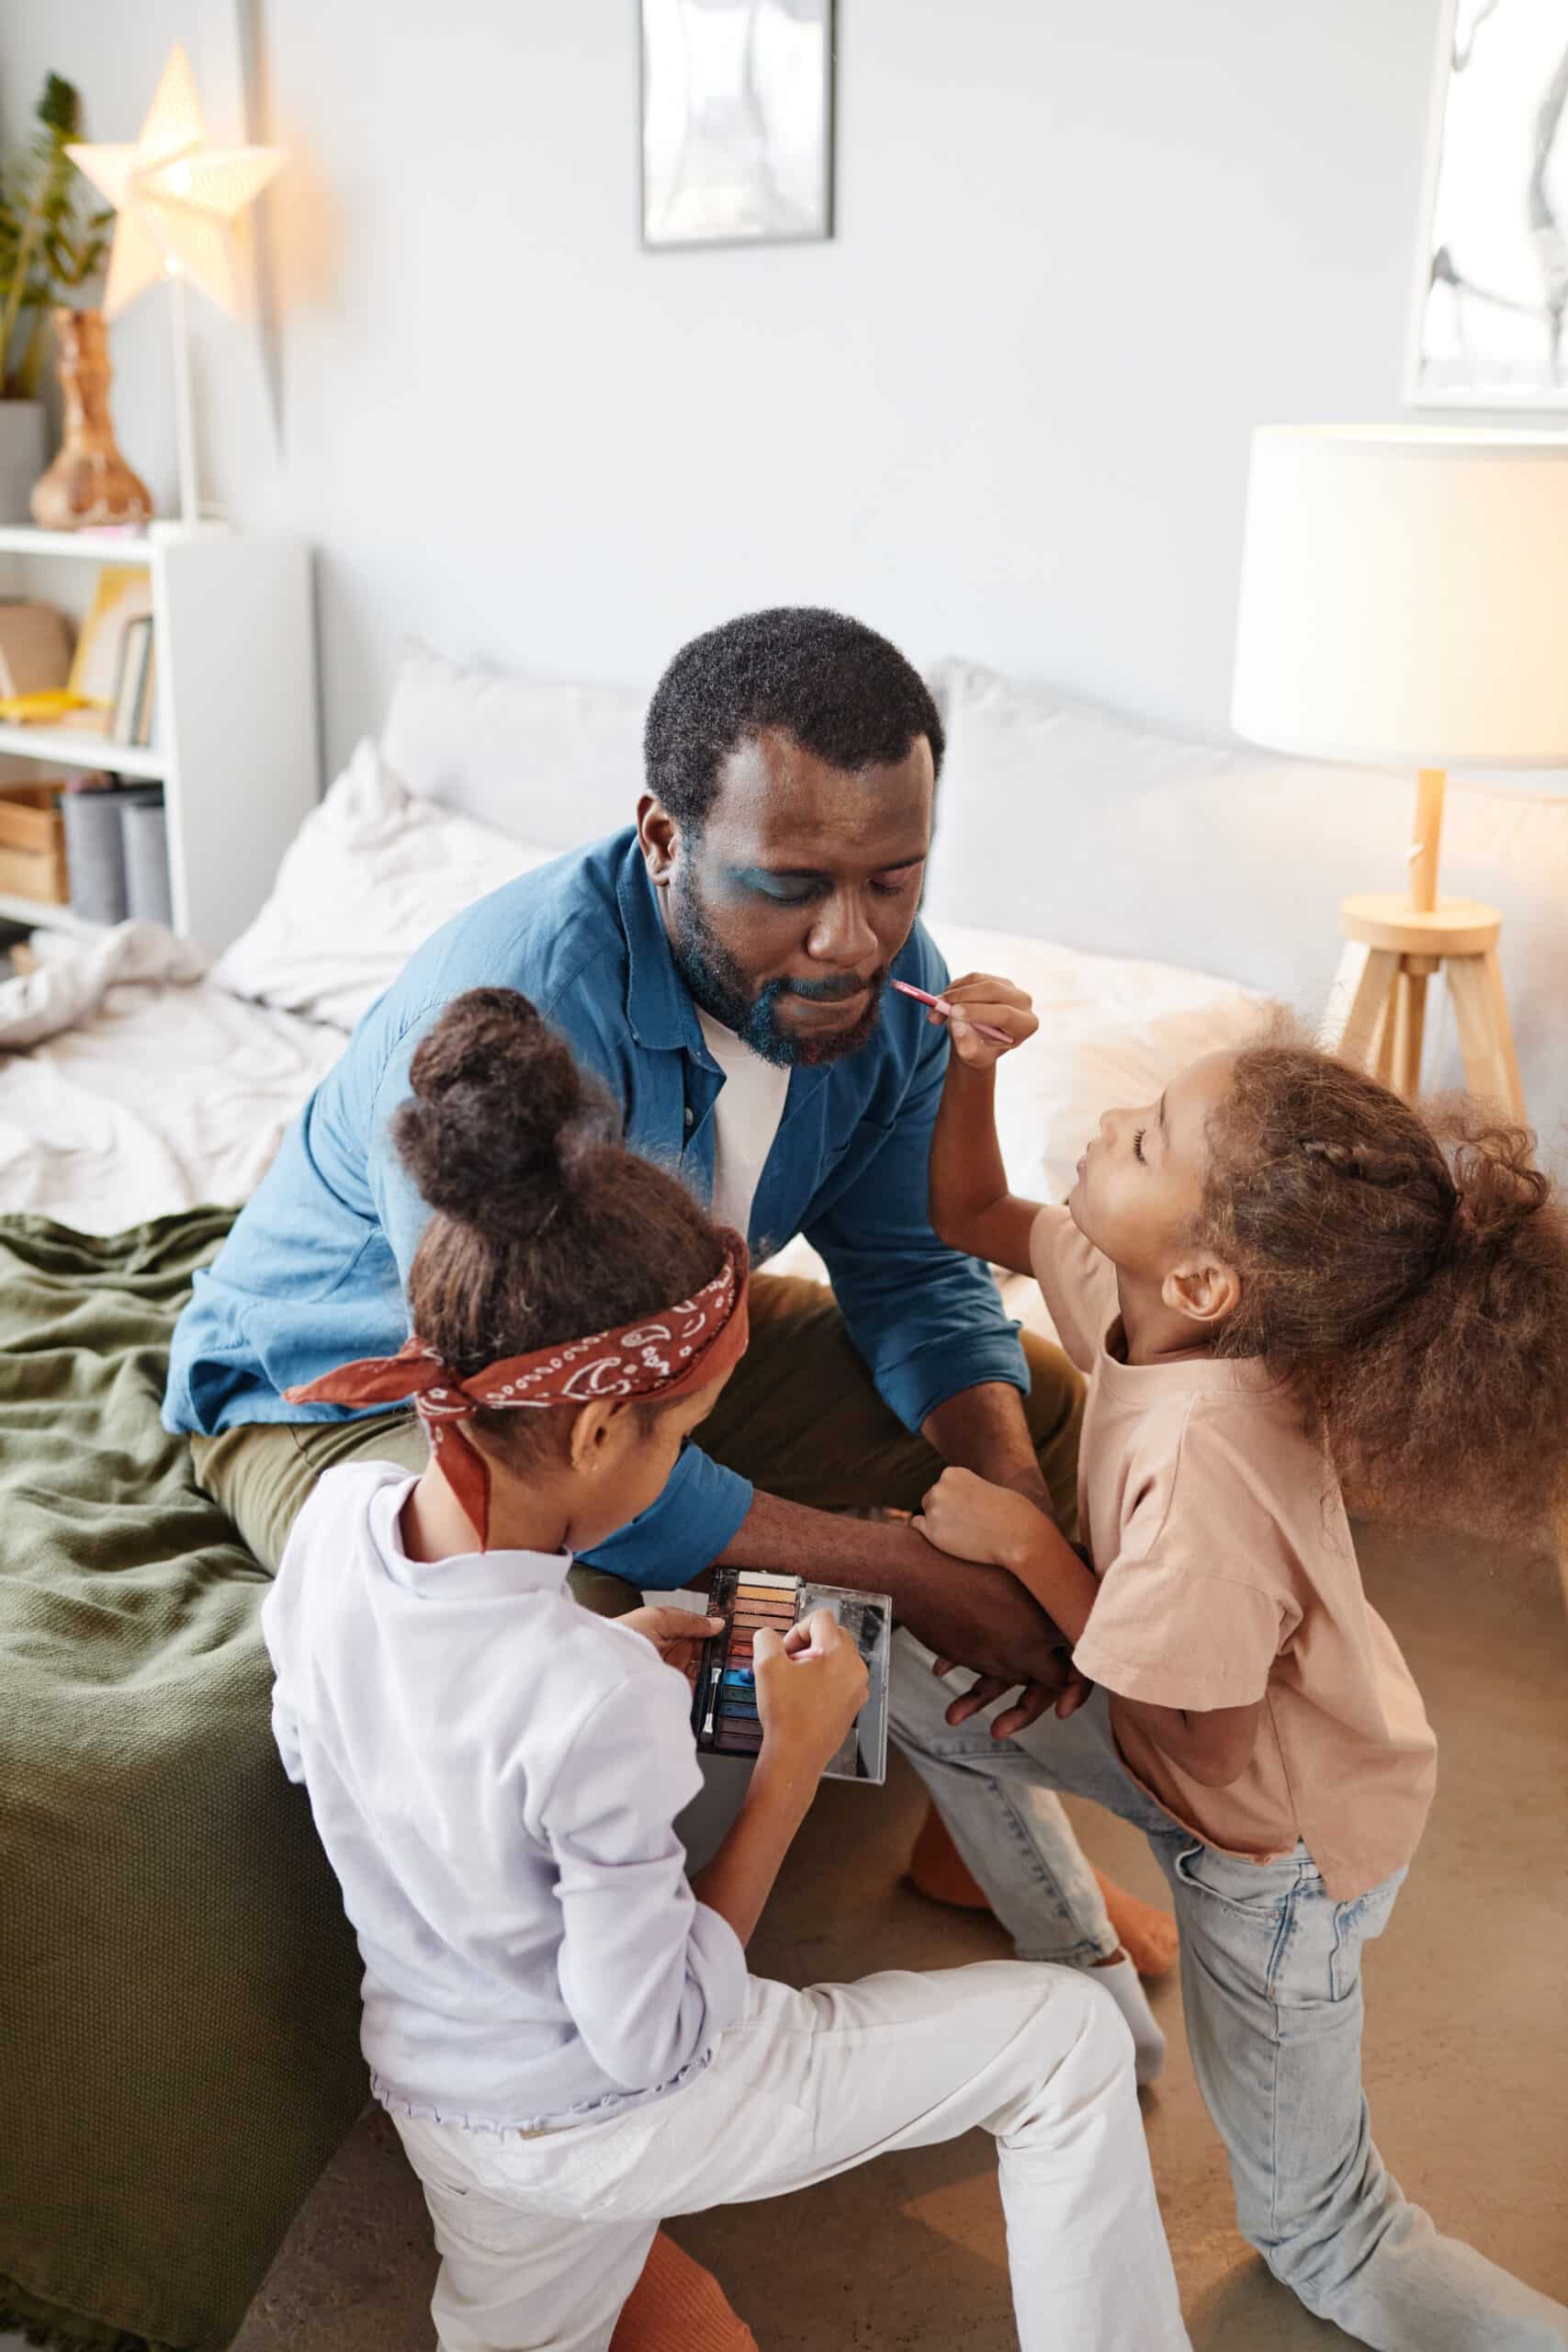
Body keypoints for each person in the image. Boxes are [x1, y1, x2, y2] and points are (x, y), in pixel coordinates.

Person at [164, 605, 1168, 2041]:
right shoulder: (522, 1020)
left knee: (1061, 1411)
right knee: (532, 1637)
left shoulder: (892, 978)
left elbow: (913, 1269)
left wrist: (1009, 1514)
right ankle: (559, 2082)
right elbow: (541, 1448)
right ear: (660, 837)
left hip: (664, 1346)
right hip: (377, 1384)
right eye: (792, 887)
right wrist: (911, 1569)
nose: (850, 940)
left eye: (894, 879)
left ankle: (963, 1812)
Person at [262, 986, 1191, 2352]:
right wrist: (794, 1767)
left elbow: (338, 1739)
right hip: (609, 2113)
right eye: (680, 1440)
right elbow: (660, 2038)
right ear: (590, 1440)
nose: (686, 1471)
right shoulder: (593, 1706)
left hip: (436, 2095)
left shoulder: (339, 1533)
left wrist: (605, 1650)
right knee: (1065, 2042)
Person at [894, 972, 1568, 2351]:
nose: (1107, 1123)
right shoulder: (1156, 1306)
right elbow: (966, 1215)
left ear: (1204, 1274)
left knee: (1325, 2234)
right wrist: (969, 1067)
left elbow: (1194, 1745)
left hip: (1271, 1855)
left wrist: (1026, 1546)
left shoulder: (1209, 1461)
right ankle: (1081, 1975)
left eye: (1144, 1137)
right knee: (920, 1678)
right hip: (1194, 1742)